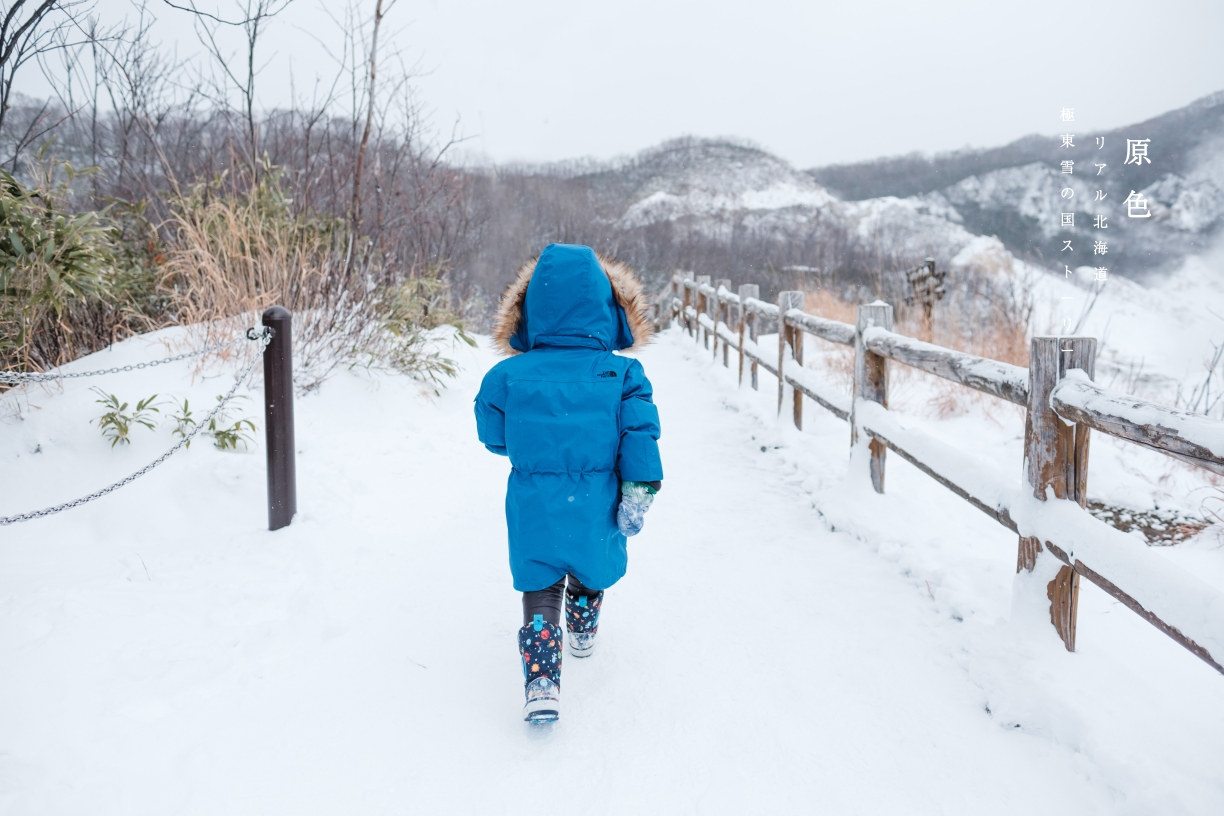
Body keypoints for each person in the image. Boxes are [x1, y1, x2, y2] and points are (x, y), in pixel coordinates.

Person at [474, 244, 664, 723]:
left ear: (530, 309)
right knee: (589, 566)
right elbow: (639, 435)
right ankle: (582, 627)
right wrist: (637, 490)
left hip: (533, 502)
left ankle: (541, 682)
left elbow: (493, 435)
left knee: (539, 587)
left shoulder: (507, 375)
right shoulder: (623, 373)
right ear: (607, 308)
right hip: (597, 501)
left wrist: (532, 450)